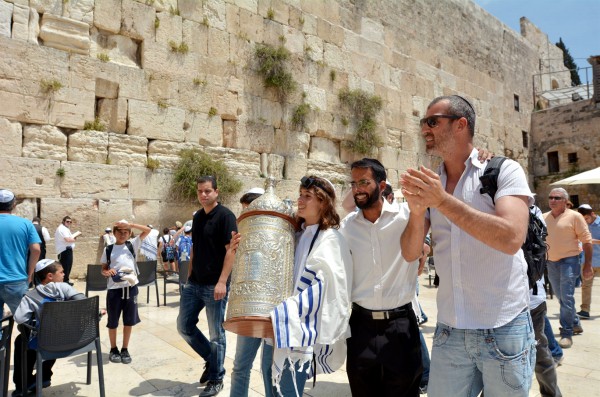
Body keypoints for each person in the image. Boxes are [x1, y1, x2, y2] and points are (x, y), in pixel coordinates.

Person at [400, 95, 535, 397]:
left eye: (432, 121)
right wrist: (417, 210)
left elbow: (512, 238)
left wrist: (441, 201)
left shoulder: (504, 171)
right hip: (450, 329)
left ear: (461, 124)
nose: (425, 129)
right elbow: (410, 253)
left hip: (503, 326)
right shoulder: (434, 182)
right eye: (423, 123)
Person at [260, 176, 352, 396]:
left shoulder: (331, 239)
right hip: (275, 325)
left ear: (323, 202)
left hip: (298, 329)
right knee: (269, 385)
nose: (300, 200)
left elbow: (326, 288)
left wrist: (286, 311)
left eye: (307, 196)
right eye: (300, 194)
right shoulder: (294, 234)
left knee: (288, 390)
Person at [340, 158, 423, 397]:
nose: (357, 189)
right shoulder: (347, 228)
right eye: (354, 183)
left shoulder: (406, 217)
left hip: (400, 326)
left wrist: (424, 248)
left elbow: (426, 236)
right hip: (361, 327)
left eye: (364, 182)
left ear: (382, 184)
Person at [177, 176, 237, 397]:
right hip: (194, 284)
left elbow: (231, 250)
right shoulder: (198, 217)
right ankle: (212, 360)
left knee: (216, 335)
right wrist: (190, 275)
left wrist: (222, 282)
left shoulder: (226, 216)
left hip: (214, 286)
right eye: (200, 191)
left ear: (216, 192)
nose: (203, 195)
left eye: (208, 191)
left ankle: (216, 377)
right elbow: (195, 247)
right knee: (184, 327)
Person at [12, 259, 86, 397]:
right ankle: (44, 375)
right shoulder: (65, 288)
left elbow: (19, 319)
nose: (64, 274)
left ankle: (22, 385)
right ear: (50, 276)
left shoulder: (31, 295)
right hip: (75, 341)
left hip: (47, 343)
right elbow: (85, 304)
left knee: (23, 339)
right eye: (61, 272)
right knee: (55, 332)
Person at [543, 188, 592, 348]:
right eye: (550, 197)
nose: (553, 200)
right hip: (551, 262)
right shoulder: (544, 217)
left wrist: (587, 266)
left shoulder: (575, 216)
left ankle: (567, 332)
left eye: (557, 198)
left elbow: (587, 242)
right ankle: (575, 322)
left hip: (569, 261)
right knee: (561, 296)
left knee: (567, 296)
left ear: (565, 200)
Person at [230, 187, 266, 397]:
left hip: (272, 311)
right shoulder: (242, 235)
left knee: (270, 369)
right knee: (241, 366)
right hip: (248, 309)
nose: (244, 215)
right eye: (243, 211)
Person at [101, 220, 151, 365]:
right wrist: (107, 272)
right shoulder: (109, 249)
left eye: (125, 232)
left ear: (129, 234)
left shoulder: (132, 245)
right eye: (120, 232)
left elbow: (147, 230)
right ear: (114, 233)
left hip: (130, 288)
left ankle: (125, 348)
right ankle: (113, 348)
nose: (122, 235)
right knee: (113, 321)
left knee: (129, 320)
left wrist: (132, 224)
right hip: (114, 289)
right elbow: (104, 269)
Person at [529, 204, 562, 397]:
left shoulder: (531, 211)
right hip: (532, 297)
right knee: (540, 351)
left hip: (529, 298)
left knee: (540, 351)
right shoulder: (534, 210)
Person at [0, 189, 41, 314]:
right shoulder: (25, 224)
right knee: (26, 321)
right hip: (16, 279)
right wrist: (30, 273)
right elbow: (36, 250)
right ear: (14, 204)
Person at [576, 204, 600, 319]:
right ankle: (585, 310)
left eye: (586, 218)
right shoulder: (581, 224)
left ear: (592, 214)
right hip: (587, 262)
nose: (584, 221)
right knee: (586, 286)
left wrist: (589, 240)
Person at [54, 216, 78, 285]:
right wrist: (74, 239)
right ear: (63, 221)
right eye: (67, 221)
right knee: (65, 267)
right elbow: (67, 239)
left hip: (66, 251)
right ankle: (64, 282)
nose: (69, 223)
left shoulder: (64, 228)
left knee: (67, 267)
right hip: (64, 251)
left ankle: (66, 281)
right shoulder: (62, 229)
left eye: (70, 222)